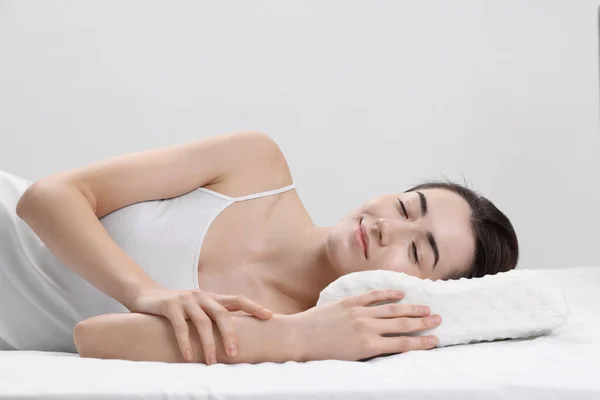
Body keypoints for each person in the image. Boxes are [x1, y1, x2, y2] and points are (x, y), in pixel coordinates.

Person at [0, 131, 519, 365]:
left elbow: (93, 339)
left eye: (417, 253)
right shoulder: (255, 167)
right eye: (406, 208)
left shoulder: (300, 330)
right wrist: (147, 292)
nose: (388, 229)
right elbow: (50, 197)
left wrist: (293, 338)